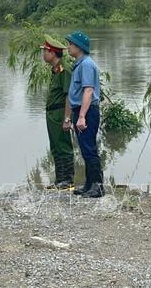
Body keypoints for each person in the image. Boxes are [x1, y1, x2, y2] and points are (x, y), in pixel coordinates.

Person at [64, 30, 104, 198]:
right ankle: (89, 184)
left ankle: (98, 186)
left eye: (71, 44)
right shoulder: (80, 64)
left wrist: (81, 116)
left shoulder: (86, 64)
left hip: (87, 111)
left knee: (89, 148)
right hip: (81, 110)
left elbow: (88, 91)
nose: (68, 47)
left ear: (79, 47)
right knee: (85, 148)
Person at [40, 34, 75, 190]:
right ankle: (60, 179)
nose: (43, 54)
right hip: (52, 114)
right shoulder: (56, 70)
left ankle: (68, 180)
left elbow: (69, 96)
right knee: (55, 146)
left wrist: (67, 118)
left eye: (45, 51)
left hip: (61, 113)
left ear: (53, 53)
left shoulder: (64, 70)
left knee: (63, 145)